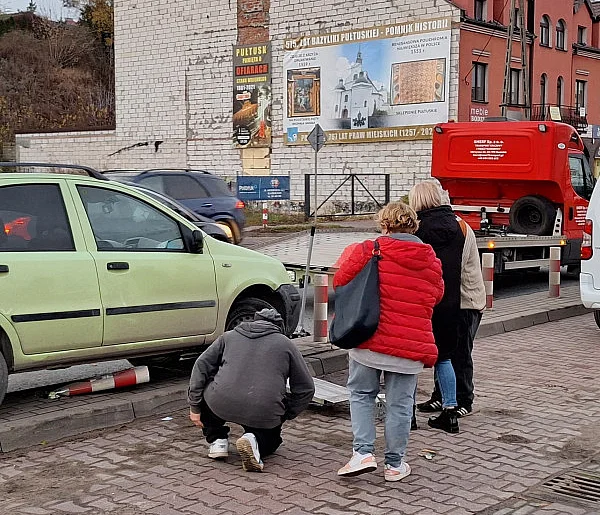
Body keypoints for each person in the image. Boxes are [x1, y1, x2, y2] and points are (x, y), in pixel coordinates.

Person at [335, 201, 444, 482]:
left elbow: (340, 280)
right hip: (411, 345)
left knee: (361, 394)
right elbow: (437, 296)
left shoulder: (368, 249)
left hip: (369, 338)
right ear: (414, 226)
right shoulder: (431, 260)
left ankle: (363, 453)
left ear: (384, 225)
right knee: (401, 404)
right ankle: (395, 465)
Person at [187, 308, 315, 472]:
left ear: (253, 320)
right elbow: (306, 388)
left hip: (220, 402)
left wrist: (195, 406)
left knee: (206, 385)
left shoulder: (228, 336)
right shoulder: (285, 344)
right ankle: (254, 440)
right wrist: (286, 413)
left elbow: (201, 366)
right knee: (272, 441)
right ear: (279, 327)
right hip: (263, 409)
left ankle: (217, 440)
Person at [416, 184, 486, 418]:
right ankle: (449, 398)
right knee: (453, 352)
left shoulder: (420, 230)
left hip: (445, 300)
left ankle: (460, 399)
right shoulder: (462, 227)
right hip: (467, 298)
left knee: (446, 351)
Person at [409, 181, 463, 434]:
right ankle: (450, 412)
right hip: (450, 300)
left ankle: (407, 414)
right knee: (445, 357)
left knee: (409, 360)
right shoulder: (456, 226)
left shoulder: (417, 230)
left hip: (421, 302)